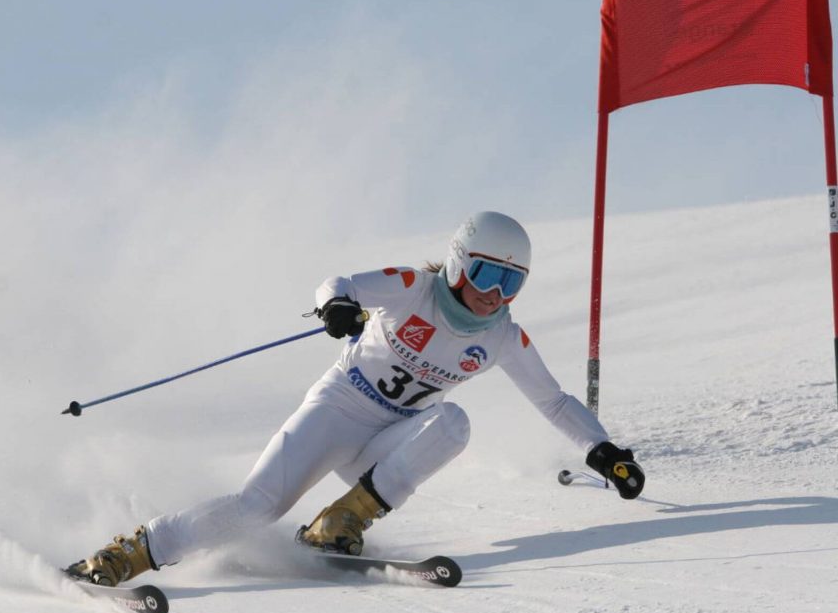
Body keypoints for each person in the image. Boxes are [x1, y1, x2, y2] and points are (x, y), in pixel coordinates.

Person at [65, 211, 645, 586]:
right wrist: (336, 306)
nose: (496, 295)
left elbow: (553, 400)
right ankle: (128, 555)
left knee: (453, 422)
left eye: (512, 283)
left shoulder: (499, 338)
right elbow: (338, 284)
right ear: (460, 263)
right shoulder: (413, 288)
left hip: (387, 441)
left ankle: (339, 523)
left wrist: (603, 449)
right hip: (337, 411)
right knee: (258, 506)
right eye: (489, 276)